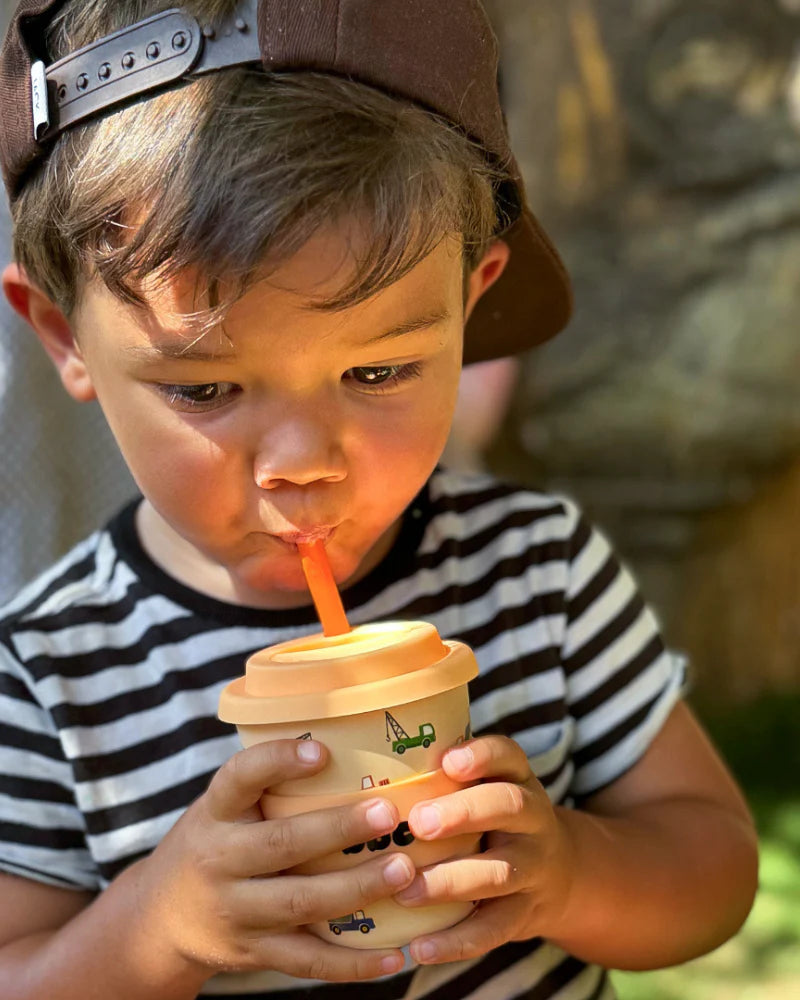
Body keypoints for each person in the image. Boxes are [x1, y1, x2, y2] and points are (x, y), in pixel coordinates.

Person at [0, 2, 758, 999]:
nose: (302, 463)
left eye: (377, 371)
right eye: (205, 387)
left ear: (469, 298)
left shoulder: (538, 572)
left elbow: (712, 868)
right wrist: (160, 925)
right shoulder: (47, 676)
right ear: (64, 338)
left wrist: (567, 872)